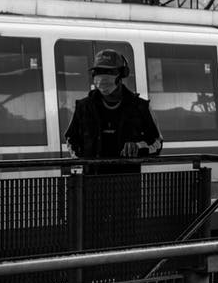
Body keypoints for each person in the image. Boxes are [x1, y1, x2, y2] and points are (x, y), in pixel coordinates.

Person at [64, 49, 162, 247]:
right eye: (98, 72)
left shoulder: (140, 107)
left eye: (108, 72)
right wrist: (83, 159)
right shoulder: (84, 107)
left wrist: (138, 147)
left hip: (125, 189)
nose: (102, 78)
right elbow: (70, 139)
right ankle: (90, 275)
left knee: (123, 238)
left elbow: (157, 143)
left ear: (121, 75)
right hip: (92, 187)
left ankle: (122, 276)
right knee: (90, 237)